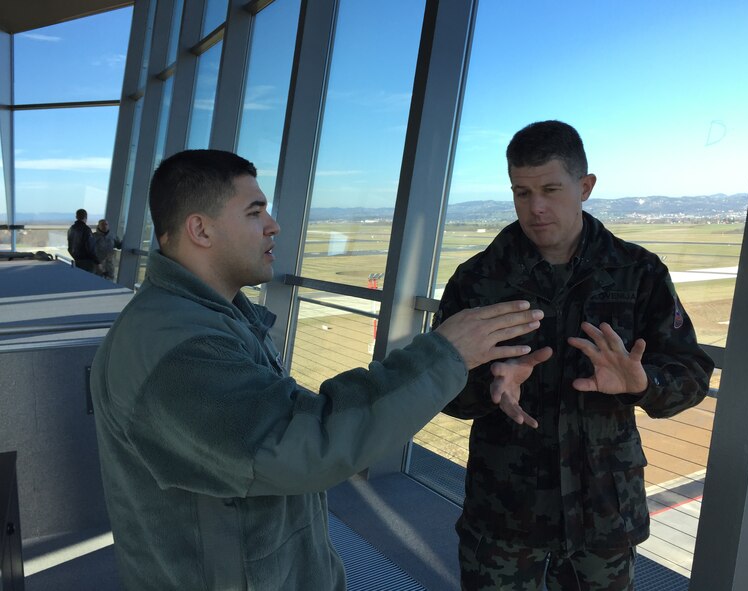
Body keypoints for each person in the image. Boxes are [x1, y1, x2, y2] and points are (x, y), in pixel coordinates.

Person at [90, 149, 545, 591]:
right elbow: (306, 443)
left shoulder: (211, 318)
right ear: (200, 230)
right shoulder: (177, 349)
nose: (273, 226)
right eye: (255, 212)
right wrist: (446, 353)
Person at [432, 120, 715, 590]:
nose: (535, 208)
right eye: (521, 192)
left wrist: (641, 382)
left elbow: (691, 376)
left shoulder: (638, 273)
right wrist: (488, 386)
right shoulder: (478, 279)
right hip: (505, 512)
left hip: (602, 513)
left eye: (549, 189)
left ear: (585, 187)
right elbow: (440, 387)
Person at [67, 208, 102, 273]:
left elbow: (70, 247)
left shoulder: (71, 229)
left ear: (76, 217)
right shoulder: (86, 230)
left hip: (76, 260)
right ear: (86, 217)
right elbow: (90, 248)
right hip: (87, 262)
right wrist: (98, 262)